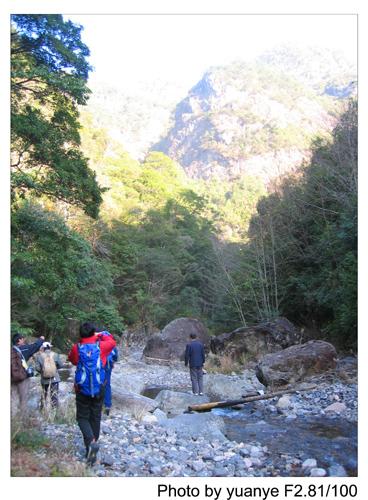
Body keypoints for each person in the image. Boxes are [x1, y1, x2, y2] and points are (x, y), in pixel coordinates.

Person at [68, 322, 116, 465]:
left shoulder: (77, 348)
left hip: (82, 389)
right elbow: (112, 341)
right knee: (95, 416)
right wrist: (100, 334)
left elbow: (73, 360)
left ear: (80, 334)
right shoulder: (101, 346)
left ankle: (90, 443)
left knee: (82, 417)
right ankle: (93, 443)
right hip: (99, 387)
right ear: (93, 333)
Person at [11, 333, 45, 415]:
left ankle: (12, 419)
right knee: (23, 398)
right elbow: (35, 346)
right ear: (19, 341)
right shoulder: (24, 349)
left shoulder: (11, 350)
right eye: (23, 339)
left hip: (11, 378)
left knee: (12, 399)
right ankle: (22, 420)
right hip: (22, 377)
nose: (24, 340)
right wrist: (41, 338)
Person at [35, 342, 63, 410]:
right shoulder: (56, 355)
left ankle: (42, 410)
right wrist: (54, 370)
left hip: (44, 380)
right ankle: (55, 412)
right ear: (50, 347)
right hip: (55, 378)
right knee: (54, 396)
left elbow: (37, 368)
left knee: (44, 395)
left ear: (43, 348)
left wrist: (43, 371)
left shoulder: (39, 356)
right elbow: (61, 365)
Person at [99, 331, 118, 416]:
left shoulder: (97, 340)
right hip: (108, 365)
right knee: (107, 385)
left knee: (98, 382)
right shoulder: (110, 341)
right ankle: (107, 405)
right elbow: (115, 356)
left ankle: (97, 404)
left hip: (99, 365)